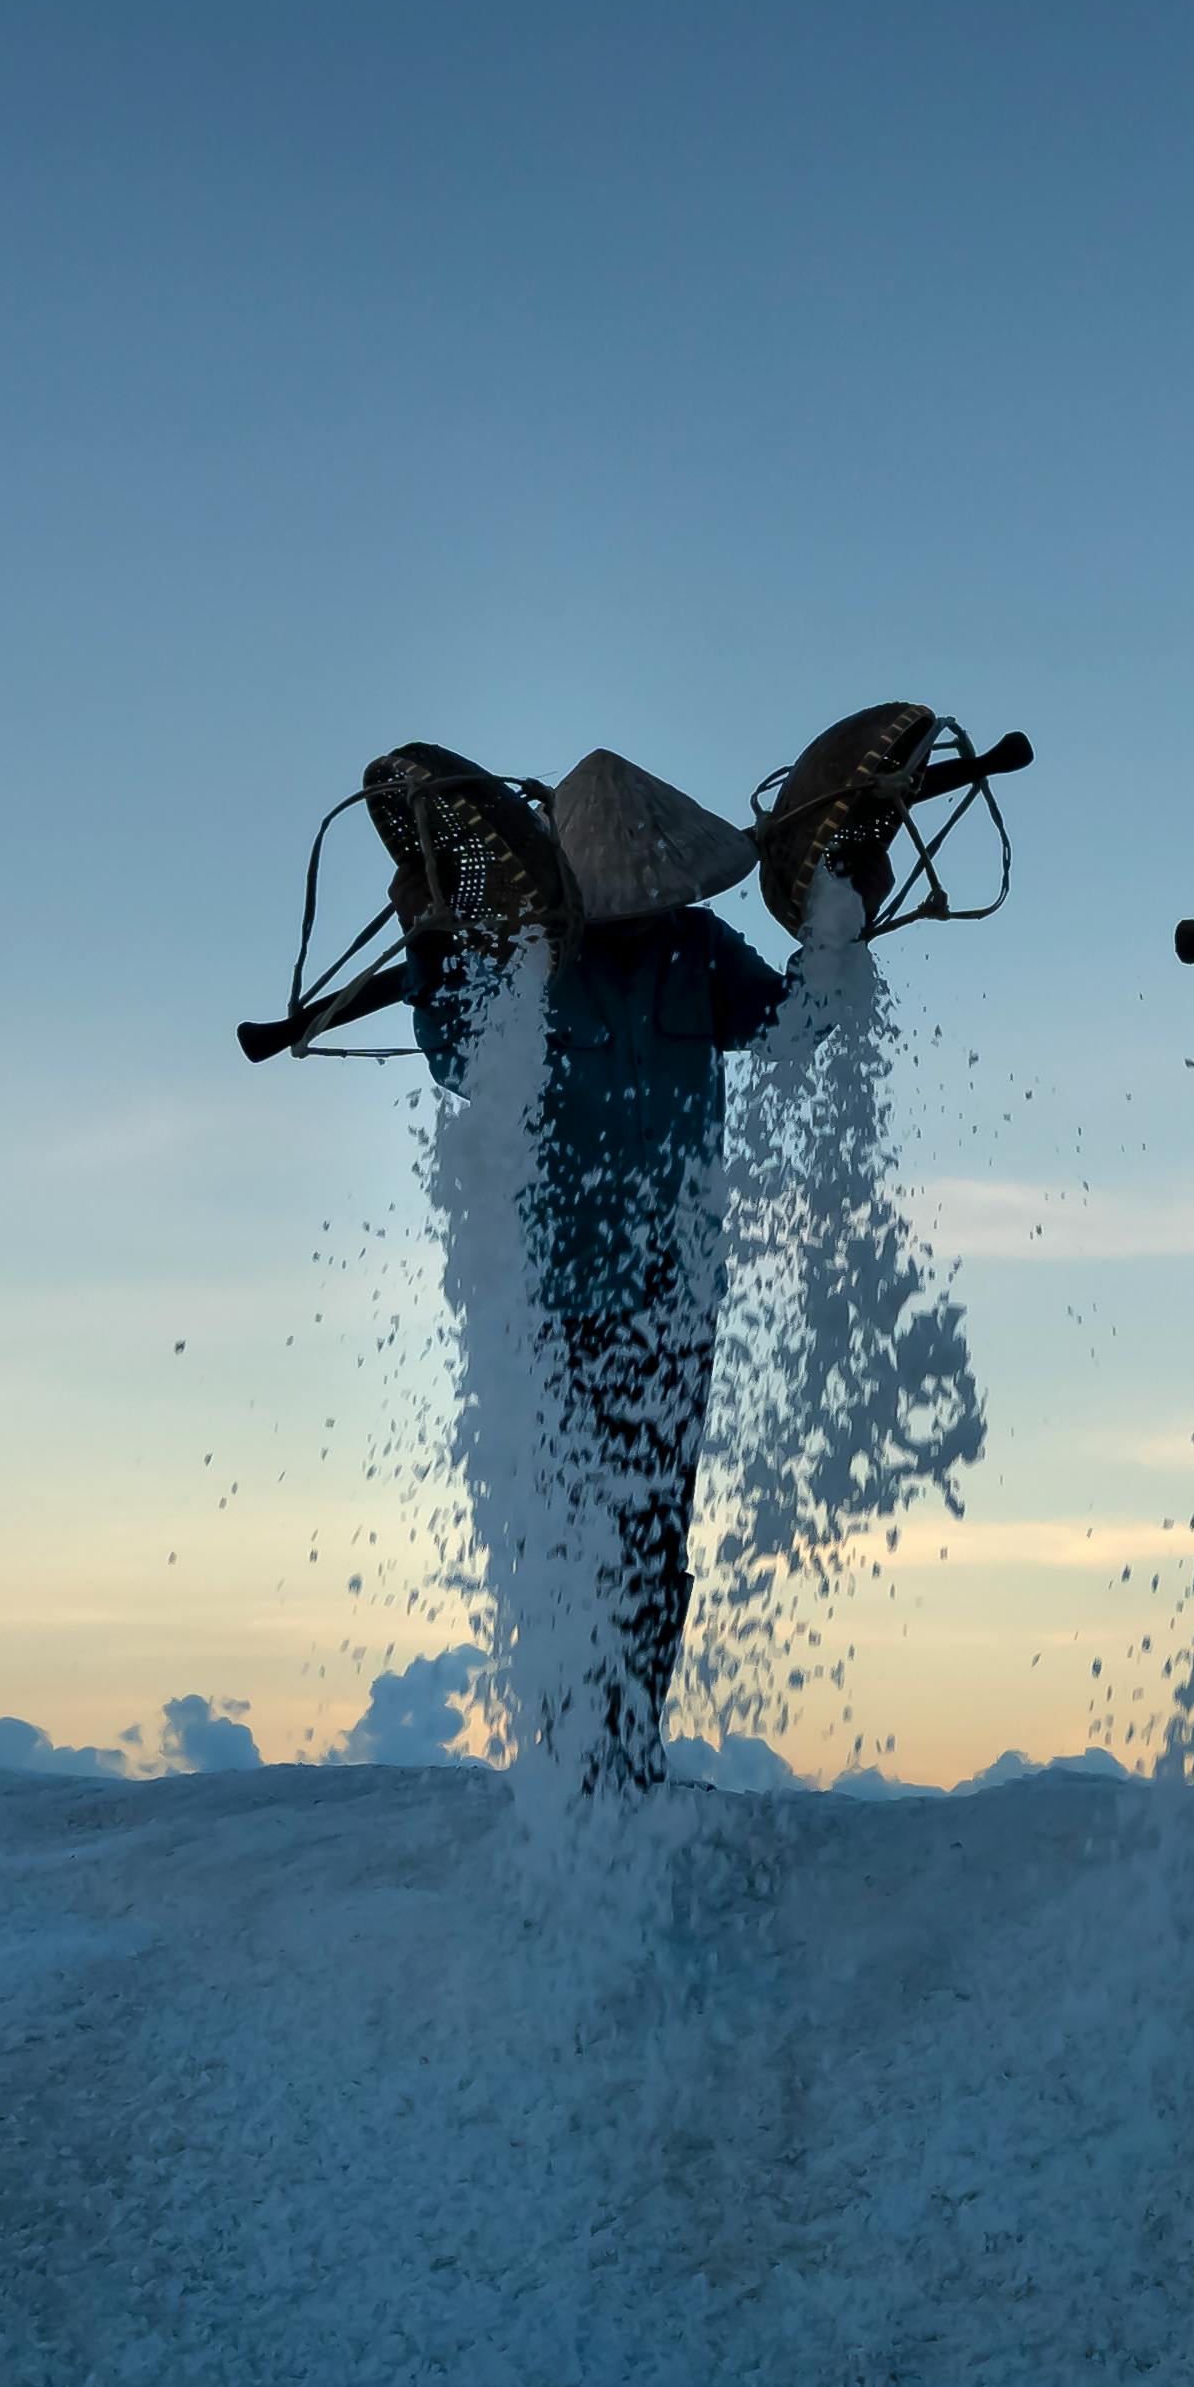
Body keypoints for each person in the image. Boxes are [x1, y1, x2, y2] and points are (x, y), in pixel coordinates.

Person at [407, 751, 788, 1784]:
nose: (641, 910)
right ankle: (569, 1751)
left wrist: (844, 922)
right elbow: (453, 1053)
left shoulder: (701, 947)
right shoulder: (521, 959)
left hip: (674, 1294)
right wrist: (432, 944)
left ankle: (632, 1750)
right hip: (551, 1295)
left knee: (654, 1529)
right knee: (566, 1534)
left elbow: (792, 1022)